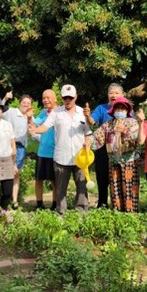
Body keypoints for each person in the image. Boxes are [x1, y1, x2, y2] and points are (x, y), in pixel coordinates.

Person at [29, 84, 92, 214]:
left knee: (81, 187)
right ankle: (61, 212)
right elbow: (45, 127)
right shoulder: (56, 113)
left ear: (76, 97)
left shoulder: (82, 113)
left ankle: (82, 212)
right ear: (62, 98)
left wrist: (88, 142)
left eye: (70, 98)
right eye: (65, 98)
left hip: (79, 156)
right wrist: (36, 129)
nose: (68, 101)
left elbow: (88, 133)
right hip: (61, 157)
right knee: (60, 188)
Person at [91, 97, 140, 212]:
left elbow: (137, 141)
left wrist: (125, 132)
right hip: (113, 161)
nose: (120, 111)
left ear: (127, 110)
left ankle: (130, 215)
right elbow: (97, 136)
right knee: (115, 189)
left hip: (129, 162)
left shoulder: (132, 123)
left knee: (128, 190)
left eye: (122, 108)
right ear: (113, 111)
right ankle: (117, 213)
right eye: (117, 108)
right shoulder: (108, 124)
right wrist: (89, 141)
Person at [84, 83, 125, 208]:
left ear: (122, 95)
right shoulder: (102, 108)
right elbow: (92, 122)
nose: (113, 95)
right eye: (111, 93)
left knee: (118, 178)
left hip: (120, 149)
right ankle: (102, 204)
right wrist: (87, 116)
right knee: (102, 177)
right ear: (108, 95)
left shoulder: (126, 110)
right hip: (102, 148)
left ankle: (118, 205)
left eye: (116, 93)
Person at [29, 89, 58, 211]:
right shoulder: (43, 113)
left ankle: (55, 205)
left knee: (54, 181)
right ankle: (39, 204)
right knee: (39, 180)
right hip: (42, 152)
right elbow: (34, 126)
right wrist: (29, 117)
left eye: (48, 97)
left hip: (56, 152)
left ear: (55, 98)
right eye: (43, 98)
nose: (46, 100)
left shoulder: (60, 112)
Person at [2, 94, 33, 209]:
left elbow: (34, 132)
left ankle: (14, 200)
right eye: (24, 102)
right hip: (9, 145)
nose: (26, 105)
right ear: (20, 103)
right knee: (6, 171)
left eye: (28, 103)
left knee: (15, 174)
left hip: (21, 148)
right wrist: (5, 98)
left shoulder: (30, 117)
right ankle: (5, 197)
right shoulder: (12, 112)